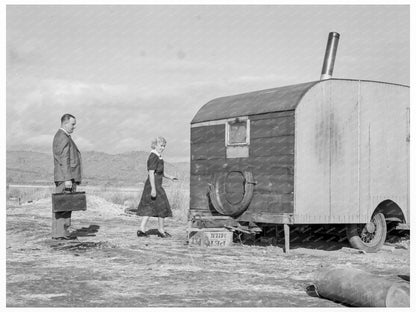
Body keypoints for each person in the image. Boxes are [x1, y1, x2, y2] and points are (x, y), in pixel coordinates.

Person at [137, 136, 177, 238]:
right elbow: (151, 173)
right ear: (155, 145)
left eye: (164, 146)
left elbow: (161, 173)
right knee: (161, 207)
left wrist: (170, 177)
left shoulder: (159, 156)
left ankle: (142, 229)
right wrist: (153, 189)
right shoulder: (153, 156)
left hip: (157, 185)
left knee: (151, 207)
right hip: (153, 185)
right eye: (161, 145)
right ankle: (160, 230)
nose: (163, 148)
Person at [52, 113, 82, 239]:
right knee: (63, 206)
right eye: (72, 124)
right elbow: (64, 159)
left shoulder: (63, 136)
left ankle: (61, 232)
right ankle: (60, 234)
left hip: (66, 177)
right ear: (65, 123)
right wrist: (68, 178)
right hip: (66, 178)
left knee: (65, 206)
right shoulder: (63, 137)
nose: (74, 127)